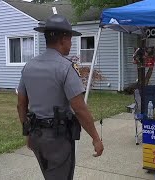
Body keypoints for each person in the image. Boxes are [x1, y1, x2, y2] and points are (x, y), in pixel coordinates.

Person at [17, 14, 104, 180]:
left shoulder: (29, 66)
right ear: (63, 39)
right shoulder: (65, 68)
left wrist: (27, 133)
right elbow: (79, 108)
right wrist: (96, 138)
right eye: (71, 39)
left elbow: (21, 105)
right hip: (57, 139)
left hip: (37, 136)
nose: (71, 44)